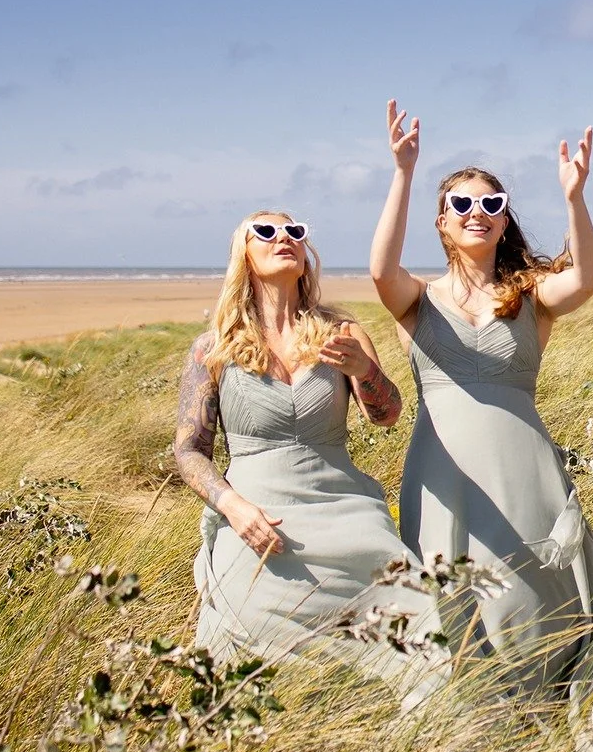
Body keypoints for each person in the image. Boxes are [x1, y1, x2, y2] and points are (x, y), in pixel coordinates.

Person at [368, 101, 593, 752]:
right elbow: (377, 271)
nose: (476, 213)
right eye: (460, 204)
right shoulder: (415, 298)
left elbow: (588, 278)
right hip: (443, 472)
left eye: (491, 203)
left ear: (505, 217)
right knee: (450, 606)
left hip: (523, 469)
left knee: (535, 600)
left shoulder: (530, 296)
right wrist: (403, 172)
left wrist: (576, 198)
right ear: (442, 222)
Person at [175, 211, 444, 698]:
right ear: (244, 254)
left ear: (305, 254)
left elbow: (386, 415)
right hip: (257, 520)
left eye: (295, 232)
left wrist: (365, 371)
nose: (283, 238)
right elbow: (189, 451)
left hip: (344, 510)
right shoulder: (213, 348)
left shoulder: (340, 331)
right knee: (252, 643)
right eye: (266, 231)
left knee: (415, 612)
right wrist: (232, 507)